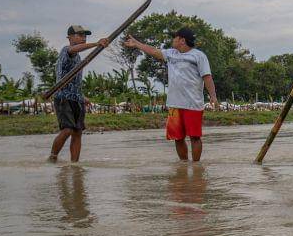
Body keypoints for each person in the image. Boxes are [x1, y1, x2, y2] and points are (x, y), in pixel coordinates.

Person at [124, 27, 219, 161]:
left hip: (193, 104)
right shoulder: (171, 53)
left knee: (195, 137)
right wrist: (137, 44)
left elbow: (207, 77)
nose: (172, 40)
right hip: (174, 104)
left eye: (175, 38)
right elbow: (153, 51)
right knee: (177, 137)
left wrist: (213, 96)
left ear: (182, 40)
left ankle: (197, 167)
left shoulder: (198, 56)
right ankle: (184, 165)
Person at [49, 25, 109, 162]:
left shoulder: (78, 58)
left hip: (76, 99)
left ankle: (75, 165)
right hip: (63, 97)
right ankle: (52, 157)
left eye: (85, 36)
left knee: (77, 132)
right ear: (70, 37)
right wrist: (96, 44)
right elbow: (73, 49)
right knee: (67, 130)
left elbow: (75, 82)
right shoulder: (67, 50)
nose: (83, 38)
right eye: (80, 35)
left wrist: (82, 96)